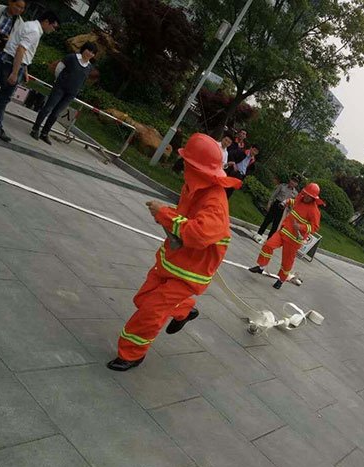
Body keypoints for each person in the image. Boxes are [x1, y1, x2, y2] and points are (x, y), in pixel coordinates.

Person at [106, 133, 242, 371]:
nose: (184, 166)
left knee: (151, 310)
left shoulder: (215, 202)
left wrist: (164, 214)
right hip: (172, 261)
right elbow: (184, 219)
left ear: (197, 167)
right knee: (143, 299)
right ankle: (184, 309)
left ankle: (131, 354)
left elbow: (198, 234)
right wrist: (166, 216)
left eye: (187, 163)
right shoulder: (193, 187)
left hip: (189, 274)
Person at [0, 10, 60, 142]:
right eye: (54, 26)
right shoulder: (34, 31)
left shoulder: (28, 25)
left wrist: (24, 70)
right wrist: (15, 72)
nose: (53, 30)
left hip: (6, 59)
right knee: (3, 97)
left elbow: (20, 48)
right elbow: (20, 49)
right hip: (12, 64)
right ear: (46, 22)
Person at [248, 182, 323, 289]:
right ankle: (261, 267)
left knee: (287, 262)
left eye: (309, 196)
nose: (306, 197)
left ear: (313, 198)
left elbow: (314, 227)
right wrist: (285, 201)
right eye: (306, 194)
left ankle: (281, 280)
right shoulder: (300, 199)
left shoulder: (314, 211)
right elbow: (293, 202)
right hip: (284, 232)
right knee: (268, 245)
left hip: (294, 240)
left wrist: (301, 227)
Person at [30, 42, 97, 145]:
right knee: (48, 108)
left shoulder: (89, 67)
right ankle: (35, 129)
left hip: (71, 94)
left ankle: (45, 133)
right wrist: (59, 81)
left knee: (56, 113)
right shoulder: (71, 58)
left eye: (93, 53)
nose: (90, 54)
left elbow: (83, 80)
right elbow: (59, 68)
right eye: (89, 50)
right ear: (84, 49)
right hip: (60, 88)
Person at [256, 174, 300, 240]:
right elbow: (274, 195)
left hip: (284, 209)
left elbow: (293, 204)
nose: (293, 182)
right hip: (276, 205)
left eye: (295, 182)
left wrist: (289, 213)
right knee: (267, 220)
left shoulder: (295, 193)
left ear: (297, 184)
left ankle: (269, 239)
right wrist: (269, 203)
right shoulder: (282, 186)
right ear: (290, 180)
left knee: (276, 225)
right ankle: (259, 234)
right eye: (292, 180)